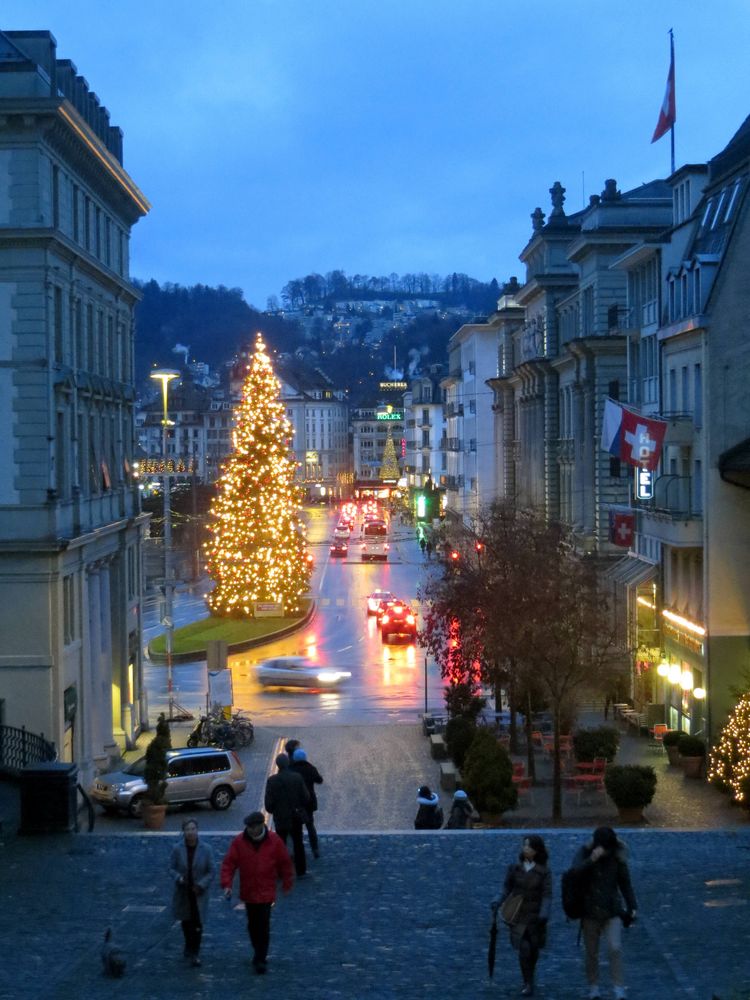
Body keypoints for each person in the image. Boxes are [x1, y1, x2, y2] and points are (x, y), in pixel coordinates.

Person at [220, 811, 294, 975]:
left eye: (254, 827)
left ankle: (260, 957)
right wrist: (227, 884)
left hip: (266, 891)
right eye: (249, 827)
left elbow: (285, 863)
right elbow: (229, 863)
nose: (252, 830)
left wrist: (287, 882)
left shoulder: (274, 841)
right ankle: (258, 950)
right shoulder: (239, 841)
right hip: (249, 891)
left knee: (264, 924)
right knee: (253, 925)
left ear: (262, 825)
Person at [571, 826, 637, 1000]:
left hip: (612, 909)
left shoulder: (617, 857)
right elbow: (574, 872)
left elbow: (625, 884)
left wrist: (632, 906)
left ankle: (618, 987)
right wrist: (590, 860)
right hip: (590, 911)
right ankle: (594, 987)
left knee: (615, 948)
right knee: (591, 952)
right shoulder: (585, 854)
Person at [491, 835, 552, 997]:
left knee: (533, 950)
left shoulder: (543, 872)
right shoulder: (515, 869)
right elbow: (506, 889)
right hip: (518, 916)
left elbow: (547, 895)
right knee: (524, 949)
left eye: (529, 846)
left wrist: (544, 913)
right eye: (524, 846)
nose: (525, 849)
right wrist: (497, 901)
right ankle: (527, 981)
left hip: (536, 918)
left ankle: (530, 976)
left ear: (537, 851)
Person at [169, 818, 215, 967]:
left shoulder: (206, 849)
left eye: (193, 829)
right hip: (184, 891)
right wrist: (179, 878)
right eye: (188, 829)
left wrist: (201, 885)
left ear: (197, 830)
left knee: (197, 922)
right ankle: (188, 946)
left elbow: (211, 870)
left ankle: (195, 952)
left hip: (199, 892)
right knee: (186, 921)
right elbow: (171, 868)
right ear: (184, 831)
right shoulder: (177, 849)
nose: (190, 832)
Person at [264, 752, 310, 876]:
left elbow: (268, 804)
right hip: (295, 816)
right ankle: (301, 870)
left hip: (281, 818)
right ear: (288, 763)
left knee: (280, 844)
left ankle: (281, 871)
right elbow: (306, 798)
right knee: (298, 843)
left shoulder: (272, 781)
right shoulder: (297, 777)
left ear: (277, 765)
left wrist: (276, 810)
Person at [290, 747, 324, 858]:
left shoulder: (291, 769)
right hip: (309, 801)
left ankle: (298, 850)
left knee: (297, 827)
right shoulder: (310, 768)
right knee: (310, 825)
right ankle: (315, 848)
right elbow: (319, 780)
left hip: (296, 802)